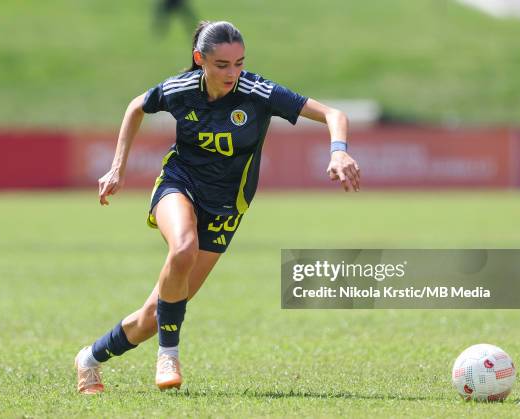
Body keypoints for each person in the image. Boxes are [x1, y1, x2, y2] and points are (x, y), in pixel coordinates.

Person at [74, 20, 360, 394]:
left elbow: (333, 115)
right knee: (183, 247)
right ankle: (168, 356)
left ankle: (89, 360)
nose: (233, 73)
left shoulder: (259, 91)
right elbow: (135, 108)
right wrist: (117, 168)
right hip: (180, 184)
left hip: (227, 207)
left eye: (239, 63)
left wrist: (338, 152)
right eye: (223, 64)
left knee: (153, 316)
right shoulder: (180, 90)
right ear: (200, 60)